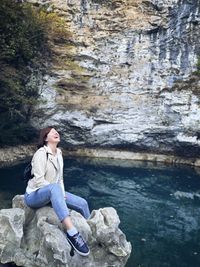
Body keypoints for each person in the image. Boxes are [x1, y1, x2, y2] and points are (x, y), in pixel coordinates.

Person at [24, 127, 90, 256]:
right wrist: (57, 191)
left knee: (82, 203)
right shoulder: (41, 154)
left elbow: (60, 179)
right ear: (45, 138)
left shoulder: (59, 153)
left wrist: (62, 194)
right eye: (52, 132)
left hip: (53, 192)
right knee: (54, 188)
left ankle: (91, 231)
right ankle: (73, 234)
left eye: (57, 131)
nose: (56, 133)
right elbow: (38, 181)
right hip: (33, 195)